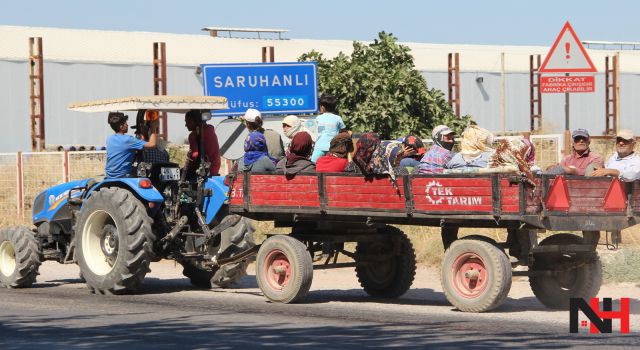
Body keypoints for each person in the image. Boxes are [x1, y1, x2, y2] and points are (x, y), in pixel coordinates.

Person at [105, 112, 158, 178]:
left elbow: (124, 148)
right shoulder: (128, 139)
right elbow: (152, 144)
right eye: (126, 123)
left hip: (109, 176)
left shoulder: (109, 139)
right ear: (121, 126)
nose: (127, 125)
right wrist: (153, 129)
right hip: (124, 175)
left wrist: (140, 137)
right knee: (150, 170)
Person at [310, 94, 346, 163]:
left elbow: (316, 131)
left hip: (319, 147)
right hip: (333, 149)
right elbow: (343, 131)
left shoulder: (318, 118)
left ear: (322, 107)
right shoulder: (338, 118)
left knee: (313, 165)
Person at [185, 109, 221, 176]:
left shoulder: (193, 135)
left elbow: (195, 155)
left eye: (188, 122)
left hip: (204, 171)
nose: (186, 125)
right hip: (215, 169)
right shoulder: (210, 130)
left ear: (195, 121)